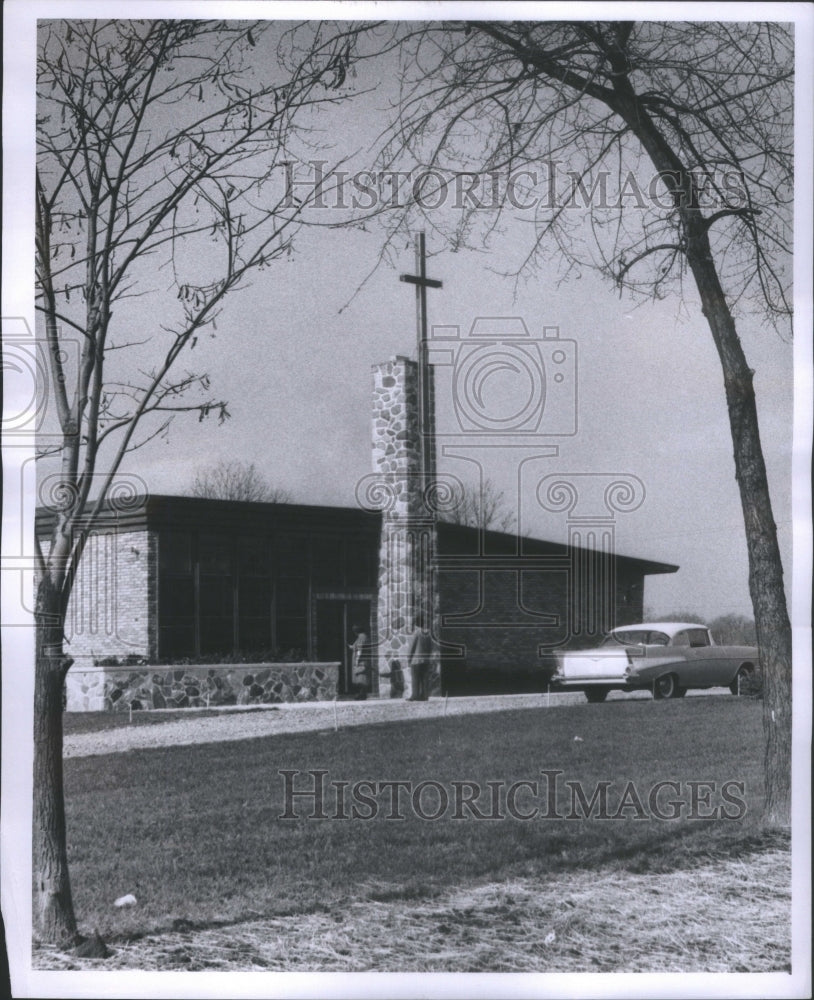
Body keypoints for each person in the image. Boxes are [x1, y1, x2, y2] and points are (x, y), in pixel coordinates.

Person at [407, 617, 434, 701]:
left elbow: (412, 647)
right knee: (424, 678)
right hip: (425, 660)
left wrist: (409, 658)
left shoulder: (416, 633)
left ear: (416, 624)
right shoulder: (428, 634)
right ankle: (424, 696)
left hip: (416, 660)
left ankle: (415, 695)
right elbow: (431, 647)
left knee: (415, 678)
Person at [349, 624, 371, 700]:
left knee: (361, 677)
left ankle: (362, 694)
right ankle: (362, 694)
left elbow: (360, 650)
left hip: (361, 660)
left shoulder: (362, 637)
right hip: (362, 659)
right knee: (361, 677)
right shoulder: (362, 637)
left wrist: (357, 660)